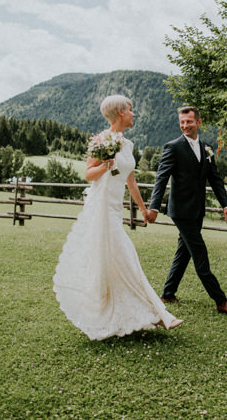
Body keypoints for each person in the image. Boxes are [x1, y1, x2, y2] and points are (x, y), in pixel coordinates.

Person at [53, 95, 182, 339]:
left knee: (115, 260)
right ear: (120, 113)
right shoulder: (102, 140)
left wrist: (143, 209)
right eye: (131, 110)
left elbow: (130, 180)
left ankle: (132, 312)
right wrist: (106, 165)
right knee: (126, 255)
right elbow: (89, 174)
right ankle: (160, 313)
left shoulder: (129, 144)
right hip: (101, 208)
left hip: (115, 209)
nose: (134, 114)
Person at [146, 106, 227, 315]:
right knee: (200, 254)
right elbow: (161, 178)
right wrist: (153, 207)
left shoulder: (206, 148)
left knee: (184, 252)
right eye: (182, 122)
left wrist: (226, 204)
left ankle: (168, 294)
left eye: (189, 121)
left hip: (197, 210)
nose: (184, 126)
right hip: (180, 211)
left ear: (198, 122)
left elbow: (215, 180)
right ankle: (221, 301)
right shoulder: (173, 147)